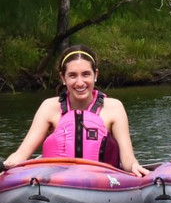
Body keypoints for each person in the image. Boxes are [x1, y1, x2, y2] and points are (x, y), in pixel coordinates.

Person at [4, 46, 148, 175]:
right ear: (63, 77)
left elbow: (127, 159)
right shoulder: (49, 107)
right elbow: (21, 154)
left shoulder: (114, 108)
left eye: (86, 74)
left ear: (95, 75)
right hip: (56, 186)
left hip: (104, 184)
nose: (80, 83)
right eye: (72, 75)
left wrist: (134, 166)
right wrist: (5, 168)